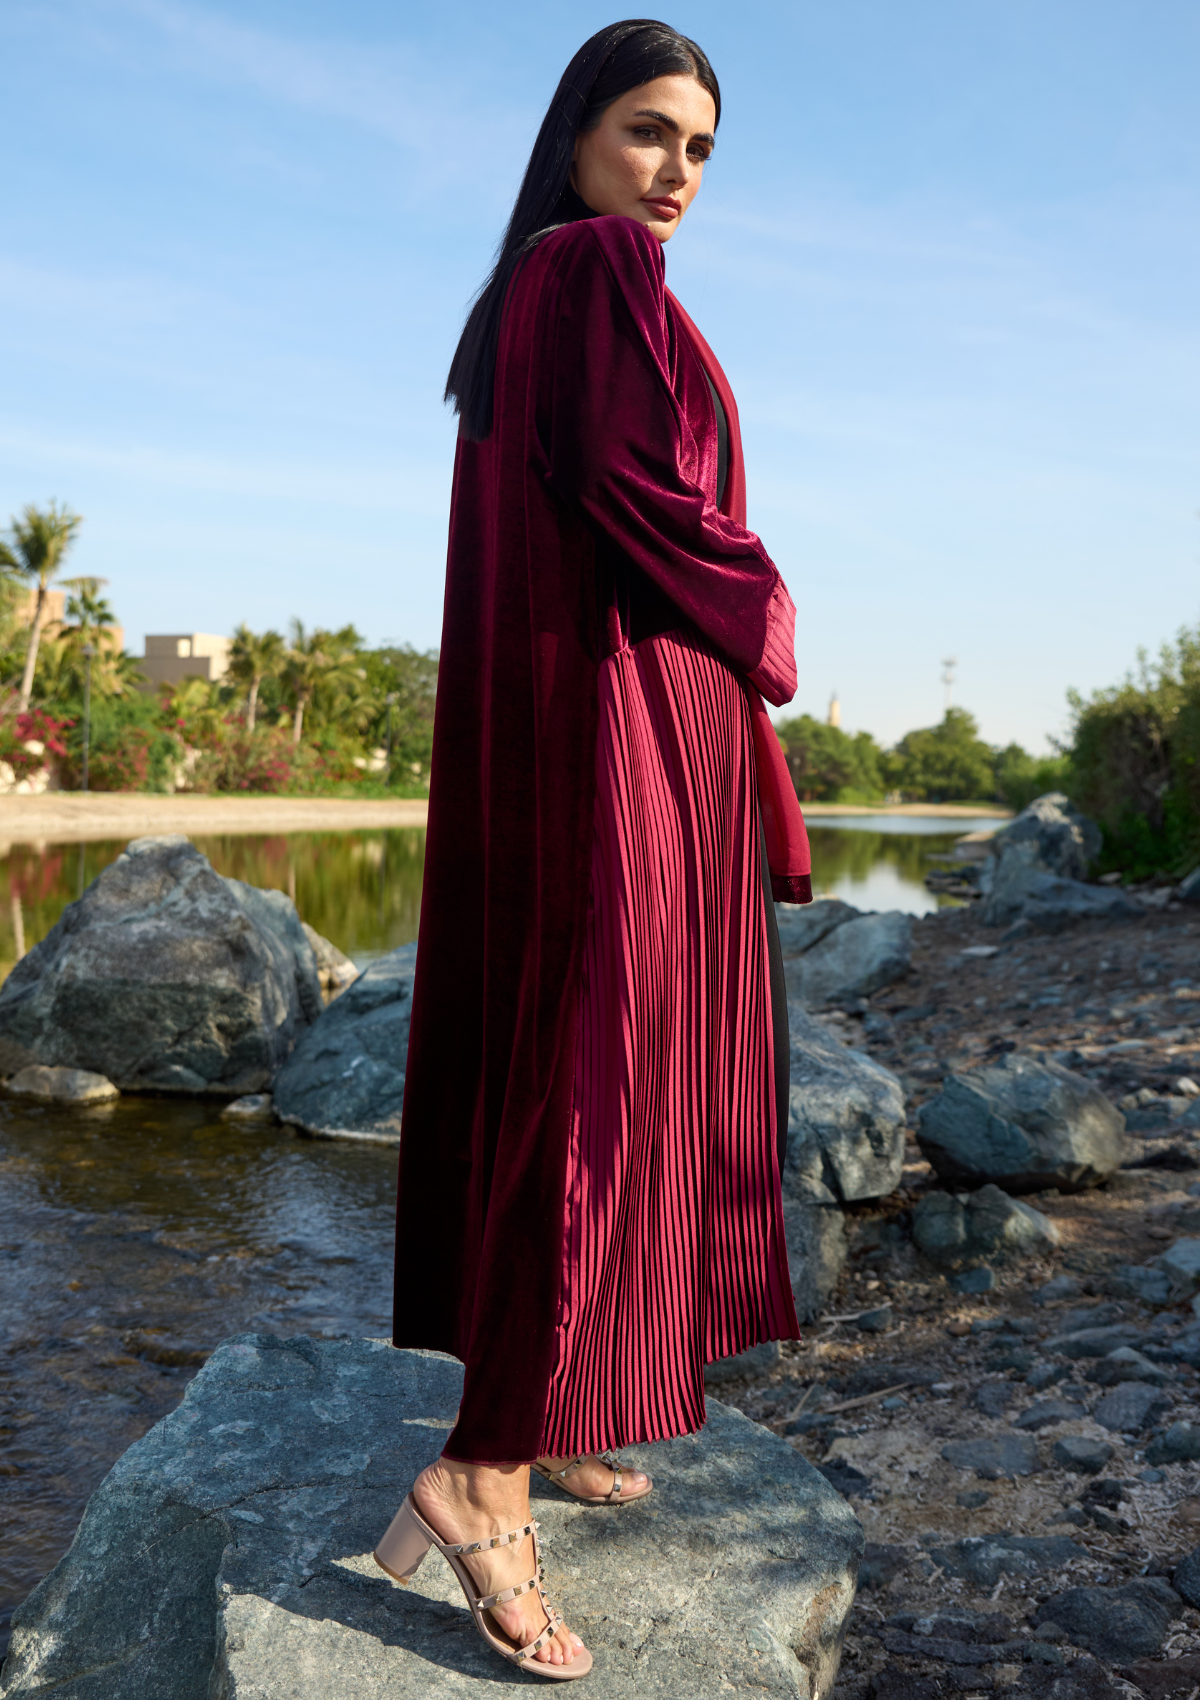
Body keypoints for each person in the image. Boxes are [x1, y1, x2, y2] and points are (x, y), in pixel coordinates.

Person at [373, 18, 811, 1681]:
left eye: (700, 147)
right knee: (603, 1090)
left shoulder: (535, 293)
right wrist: (765, 604)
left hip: (602, 730)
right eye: (648, 132)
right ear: (574, 138)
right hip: (627, 737)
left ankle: (542, 1409)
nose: (676, 172)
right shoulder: (596, 269)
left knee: (573, 1070)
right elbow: (648, 490)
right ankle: (480, 1473)